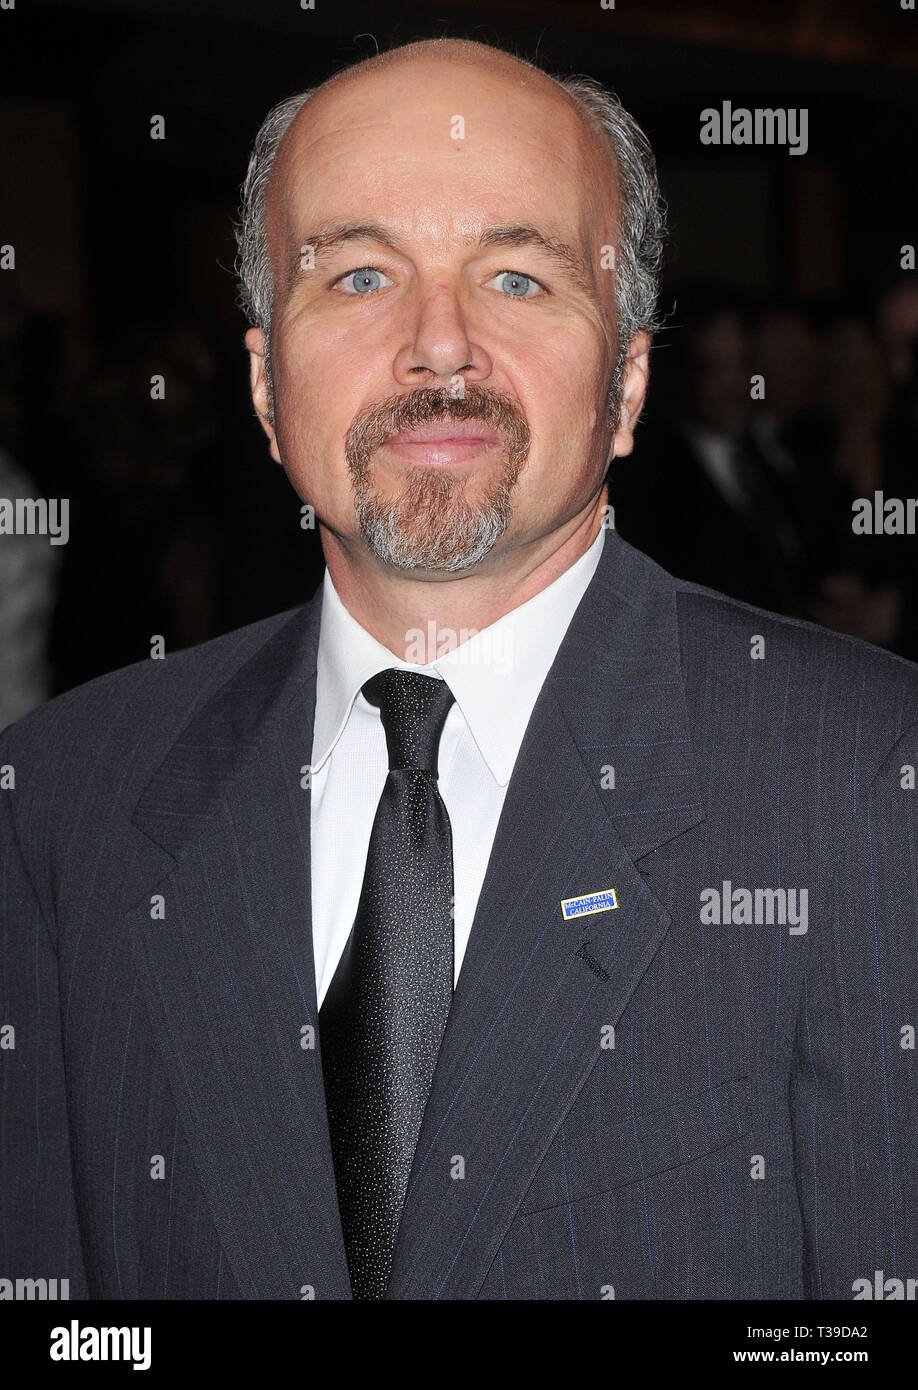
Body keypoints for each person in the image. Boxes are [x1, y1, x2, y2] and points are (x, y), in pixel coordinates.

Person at [2, 36, 916, 1302]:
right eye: (362, 274)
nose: (440, 349)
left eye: (519, 278)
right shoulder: (60, 796)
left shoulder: (863, 783)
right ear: (267, 384)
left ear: (631, 378)